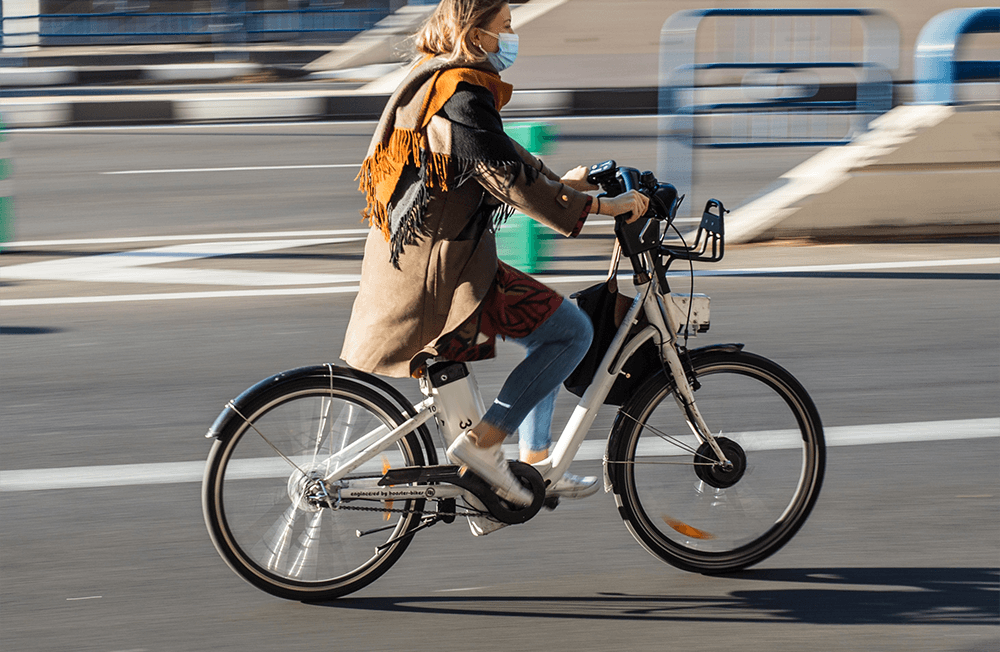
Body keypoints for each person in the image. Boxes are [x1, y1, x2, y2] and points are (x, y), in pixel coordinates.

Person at [341, 0, 649, 526]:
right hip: (442, 271)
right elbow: (505, 176)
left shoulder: (437, 74)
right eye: (505, 26)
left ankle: (530, 462)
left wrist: (561, 184)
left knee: (551, 338)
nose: (512, 37)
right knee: (570, 334)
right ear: (476, 32)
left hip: (429, 258)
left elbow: (499, 153)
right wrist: (599, 206)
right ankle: (486, 445)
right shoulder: (460, 92)